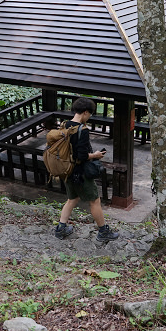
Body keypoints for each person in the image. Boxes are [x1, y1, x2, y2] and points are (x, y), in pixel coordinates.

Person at [54, 97, 119, 242]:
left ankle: (61, 228)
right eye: (89, 114)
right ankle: (103, 232)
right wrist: (95, 155)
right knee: (95, 201)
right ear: (84, 112)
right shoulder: (81, 130)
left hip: (67, 170)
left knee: (72, 199)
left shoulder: (65, 125)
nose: (89, 117)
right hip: (80, 173)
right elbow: (81, 156)